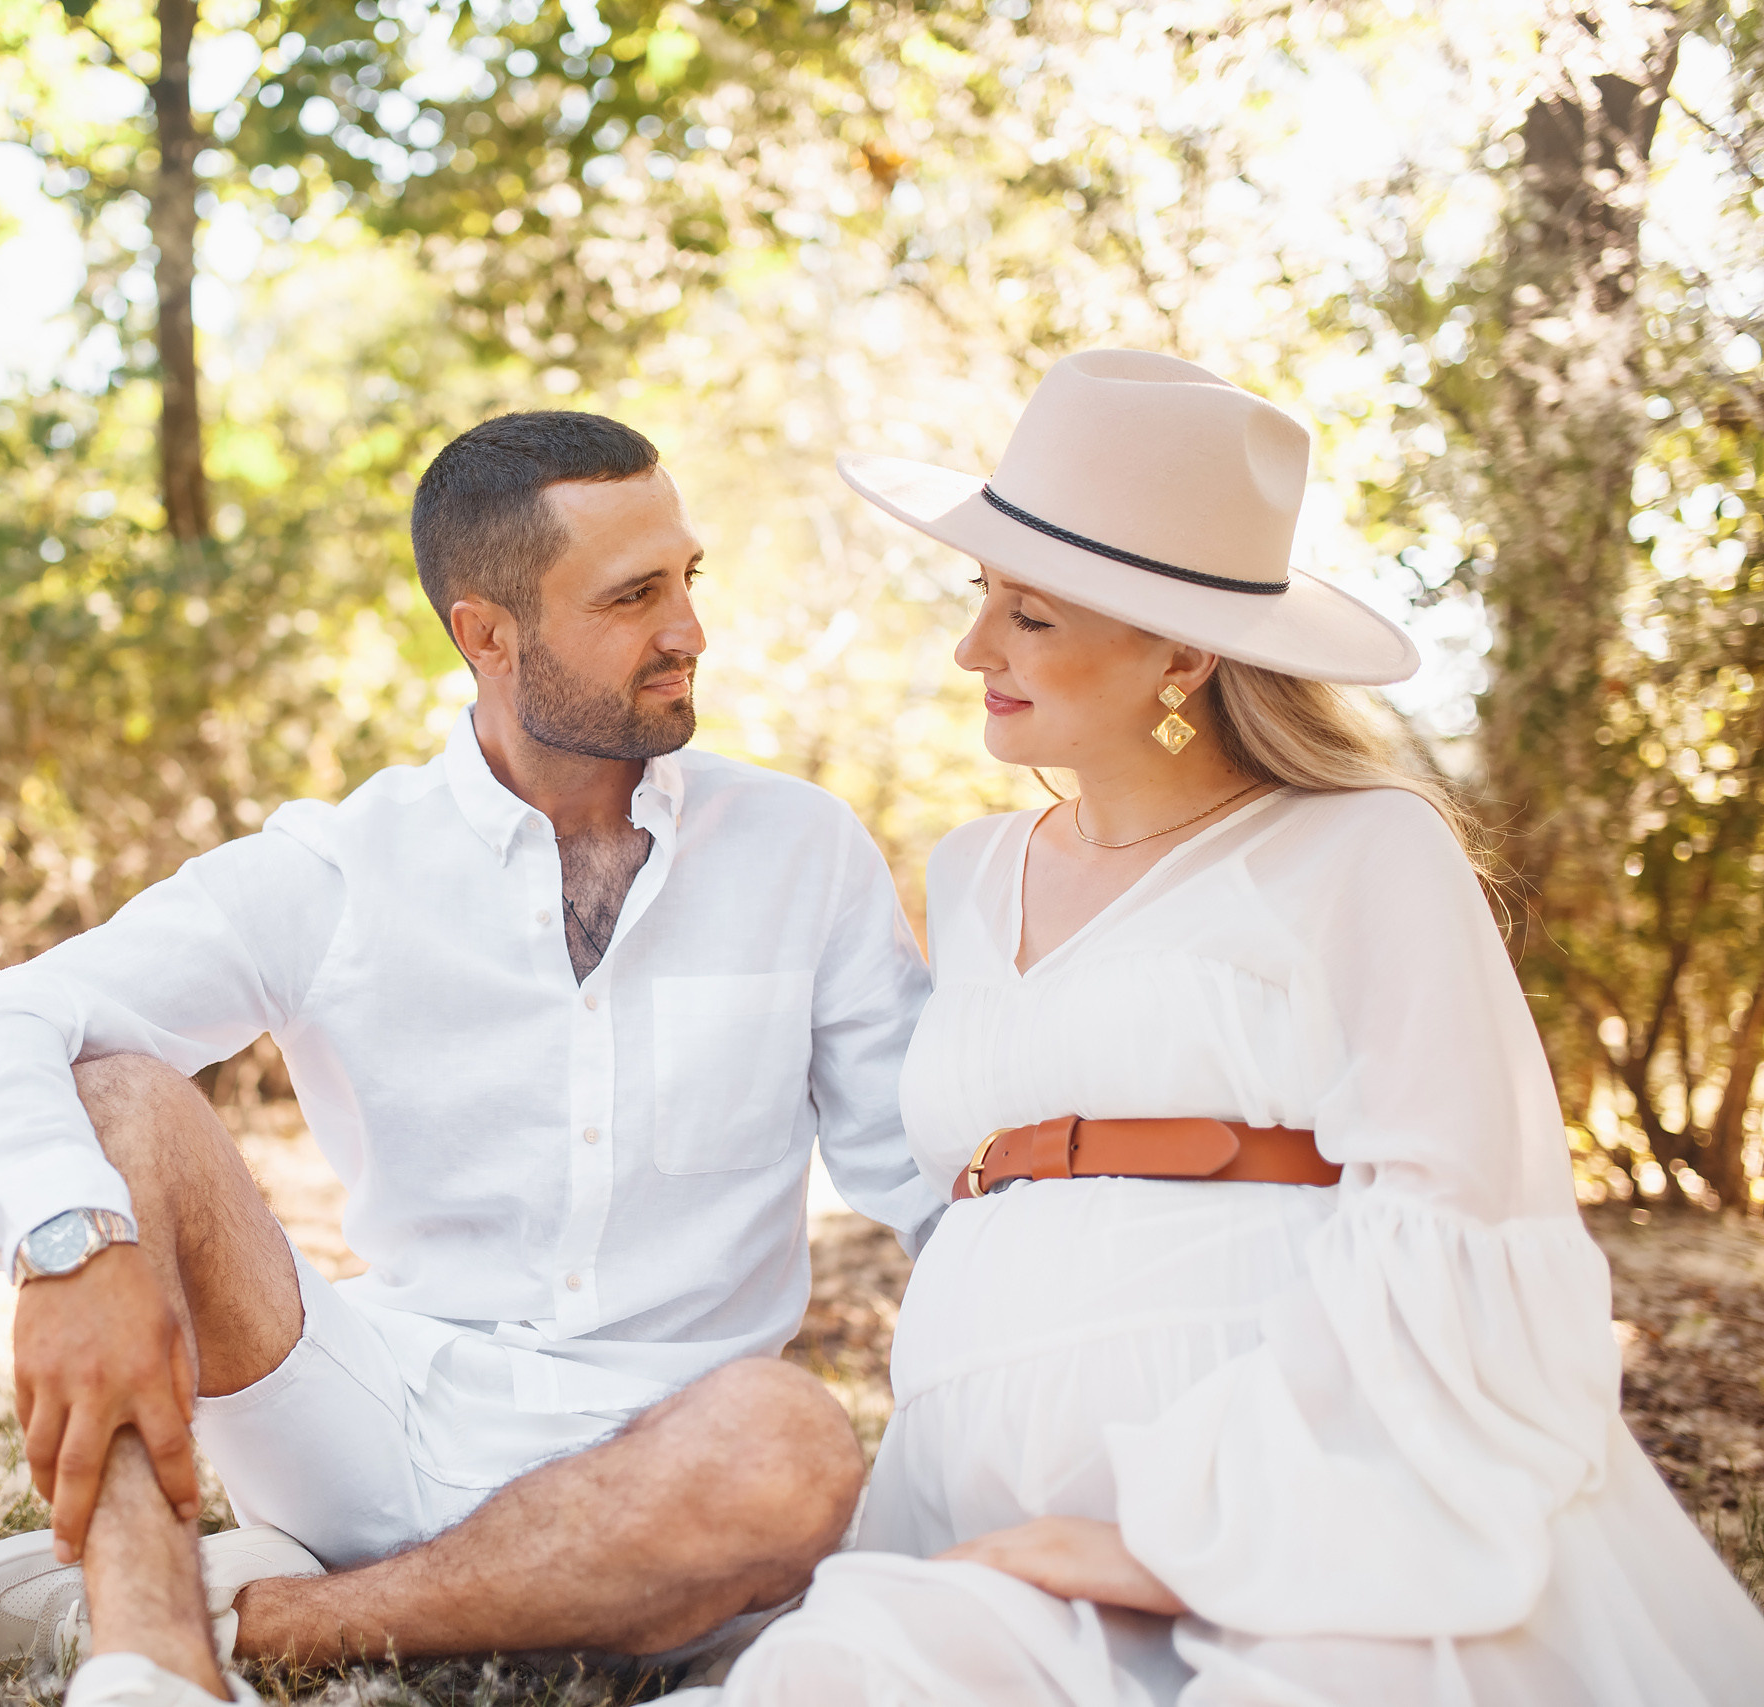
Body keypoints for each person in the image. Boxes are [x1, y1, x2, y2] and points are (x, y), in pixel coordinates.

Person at [672, 348, 1764, 1704]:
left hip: (1304, 1509)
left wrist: (1192, 1531)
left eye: (1032, 617)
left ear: (1182, 655)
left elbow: (1469, 1212)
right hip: (980, 1497)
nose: (974, 650)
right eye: (982, 600)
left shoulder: (1364, 848)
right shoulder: (971, 872)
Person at [0, 411, 941, 1706]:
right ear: (487, 635)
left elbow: (931, 1175)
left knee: (794, 1447)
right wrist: (72, 1244)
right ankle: (155, 1666)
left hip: (672, 1448)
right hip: (370, 1419)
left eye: (688, 579)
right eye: (632, 596)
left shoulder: (801, 848)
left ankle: (243, 1617)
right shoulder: (344, 864)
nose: (689, 631)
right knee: (117, 1099)